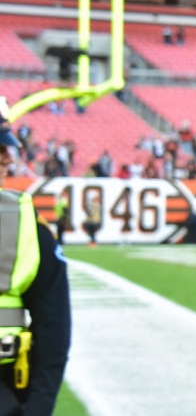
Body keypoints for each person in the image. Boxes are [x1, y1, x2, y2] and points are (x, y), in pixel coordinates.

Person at [0, 97, 71, 415]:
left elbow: (53, 326)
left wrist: (37, 408)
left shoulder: (25, 223)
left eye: (6, 148)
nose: (6, 158)